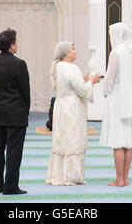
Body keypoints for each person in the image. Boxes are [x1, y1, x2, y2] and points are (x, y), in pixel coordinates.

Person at [45, 41, 101, 186]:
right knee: (73, 139)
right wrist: (92, 82)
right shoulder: (72, 68)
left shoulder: (56, 66)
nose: (75, 51)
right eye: (73, 49)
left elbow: (68, 86)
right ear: (65, 53)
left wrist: (83, 81)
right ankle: (71, 176)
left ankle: (58, 175)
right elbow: (82, 90)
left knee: (62, 139)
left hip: (61, 105)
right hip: (72, 107)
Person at [100, 22, 132, 187]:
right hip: (128, 98)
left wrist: (104, 91)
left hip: (117, 98)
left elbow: (109, 78)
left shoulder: (116, 53)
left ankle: (119, 179)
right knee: (127, 142)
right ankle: (125, 178)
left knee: (118, 142)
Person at [0, 29, 30, 195]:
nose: (17, 44)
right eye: (16, 41)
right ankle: (11, 186)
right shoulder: (19, 64)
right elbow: (25, 91)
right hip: (15, 112)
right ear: (12, 45)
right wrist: (25, 111)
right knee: (13, 150)